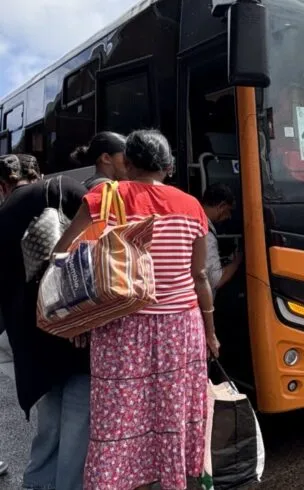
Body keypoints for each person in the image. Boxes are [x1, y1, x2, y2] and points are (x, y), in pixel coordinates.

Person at [53, 130, 218, 490]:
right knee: (171, 411)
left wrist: (79, 316)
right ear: (169, 167)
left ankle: (121, 482)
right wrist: (210, 332)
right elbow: (200, 275)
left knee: (120, 415)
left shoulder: (102, 198)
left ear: (126, 163)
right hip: (181, 327)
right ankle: (168, 479)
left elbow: (63, 255)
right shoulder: (191, 206)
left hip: (120, 326)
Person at [0, 154, 90, 490]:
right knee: (78, 424)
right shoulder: (65, 188)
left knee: (50, 421)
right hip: (76, 330)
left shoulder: (4, 214)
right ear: (41, 174)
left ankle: (37, 483)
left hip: (31, 337)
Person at [201, 183, 243, 296]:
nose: (229, 217)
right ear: (221, 206)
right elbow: (216, 280)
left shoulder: (193, 220)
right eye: (229, 211)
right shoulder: (206, 234)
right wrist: (237, 260)